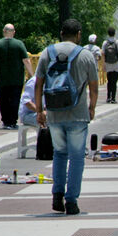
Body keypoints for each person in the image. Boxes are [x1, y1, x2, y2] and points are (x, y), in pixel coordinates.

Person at [34, 18, 99, 215]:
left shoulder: (47, 52)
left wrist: (39, 110)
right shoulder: (86, 55)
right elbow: (94, 87)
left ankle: (57, 195)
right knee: (77, 157)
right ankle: (71, 201)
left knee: (59, 154)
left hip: (54, 114)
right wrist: (92, 107)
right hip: (78, 115)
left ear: (61, 33)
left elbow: (38, 84)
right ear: (79, 34)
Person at [0, 24, 34, 129]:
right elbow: (26, 60)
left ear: (4, 31)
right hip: (16, 78)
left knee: (3, 100)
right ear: (13, 32)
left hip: (2, 78)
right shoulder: (19, 44)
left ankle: (5, 121)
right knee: (15, 99)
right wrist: (31, 75)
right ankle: (13, 121)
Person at [101, 27, 118, 104]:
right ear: (114, 33)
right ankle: (113, 98)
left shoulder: (105, 43)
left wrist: (103, 64)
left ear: (108, 33)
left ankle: (108, 97)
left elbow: (103, 54)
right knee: (114, 82)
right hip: (116, 64)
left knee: (109, 81)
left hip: (108, 64)